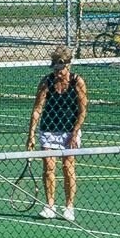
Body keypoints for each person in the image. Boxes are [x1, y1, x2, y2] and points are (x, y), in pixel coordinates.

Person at [25, 46, 89, 221]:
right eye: (55, 69)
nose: (57, 73)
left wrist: (75, 133)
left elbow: (83, 111)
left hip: (69, 130)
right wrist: (31, 134)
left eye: (60, 69)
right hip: (49, 129)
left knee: (68, 168)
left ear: (68, 66)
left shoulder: (78, 82)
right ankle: (50, 205)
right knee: (48, 168)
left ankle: (69, 207)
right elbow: (37, 109)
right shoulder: (46, 82)